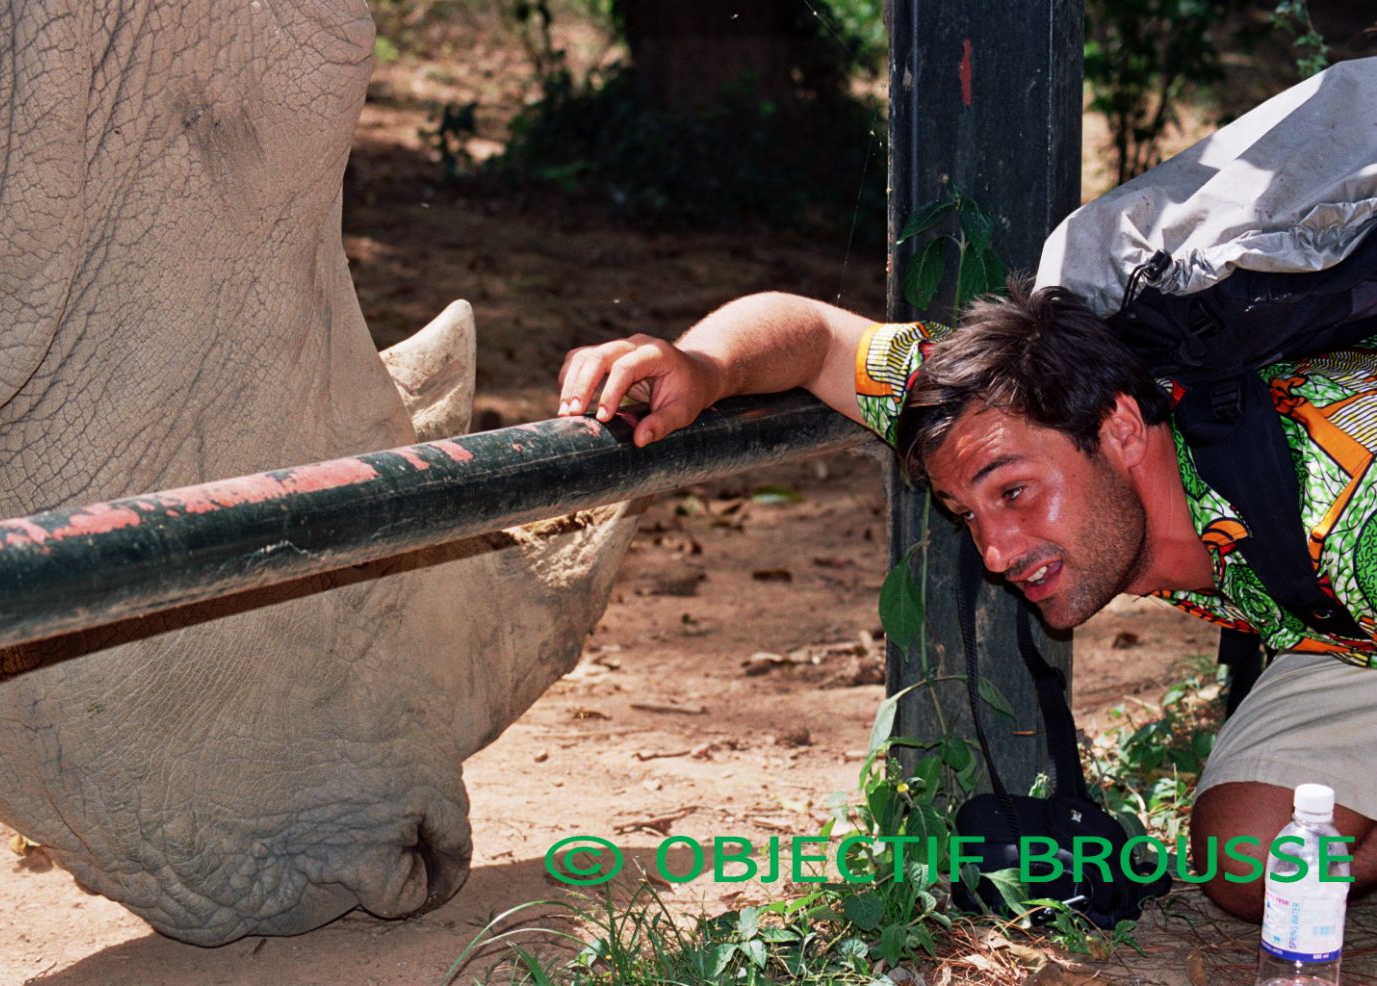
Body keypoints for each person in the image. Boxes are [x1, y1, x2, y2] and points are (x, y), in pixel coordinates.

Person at [557, 283, 1377, 921]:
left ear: (1123, 429)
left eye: (1015, 493)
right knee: (1262, 863)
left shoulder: (1355, 504)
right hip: (1340, 631)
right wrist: (703, 368)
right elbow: (810, 335)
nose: (996, 551)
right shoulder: (1002, 408)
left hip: (1355, 577)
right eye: (968, 513)